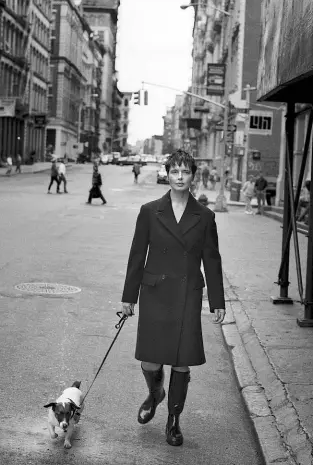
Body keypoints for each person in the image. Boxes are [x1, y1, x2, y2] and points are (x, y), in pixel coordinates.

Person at [121, 149, 225, 447]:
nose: (180, 177)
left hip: (187, 295)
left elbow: (212, 260)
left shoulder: (205, 217)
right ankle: (155, 394)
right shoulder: (150, 210)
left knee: (181, 363)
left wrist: (217, 300)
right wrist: (129, 297)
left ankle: (174, 420)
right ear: (167, 173)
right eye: (175, 171)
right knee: (151, 361)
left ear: (193, 176)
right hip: (155, 293)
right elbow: (137, 256)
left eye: (185, 172)